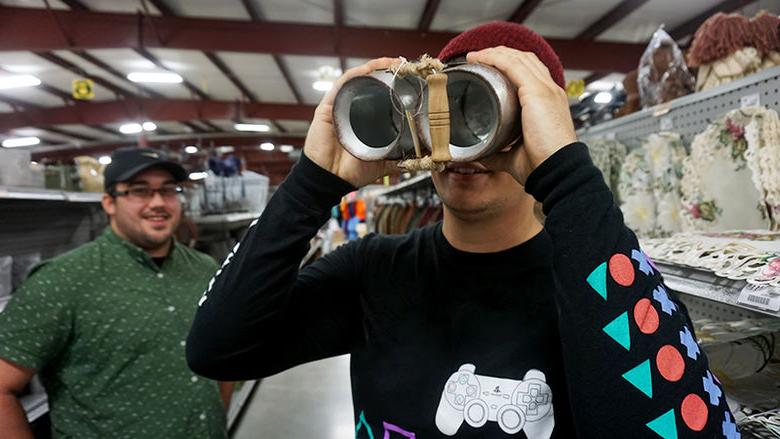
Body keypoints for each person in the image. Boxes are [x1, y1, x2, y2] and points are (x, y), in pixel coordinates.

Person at [187, 22, 736, 438]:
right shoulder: (373, 270)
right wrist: (311, 184)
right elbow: (216, 348)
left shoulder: (594, 281)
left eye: (492, 112)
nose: (463, 140)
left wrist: (566, 175)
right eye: (445, 111)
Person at [0, 147, 232, 438]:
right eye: (139, 191)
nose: (158, 202)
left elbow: (222, 355)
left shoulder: (204, 268)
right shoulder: (61, 280)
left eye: (169, 190)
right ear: (109, 202)